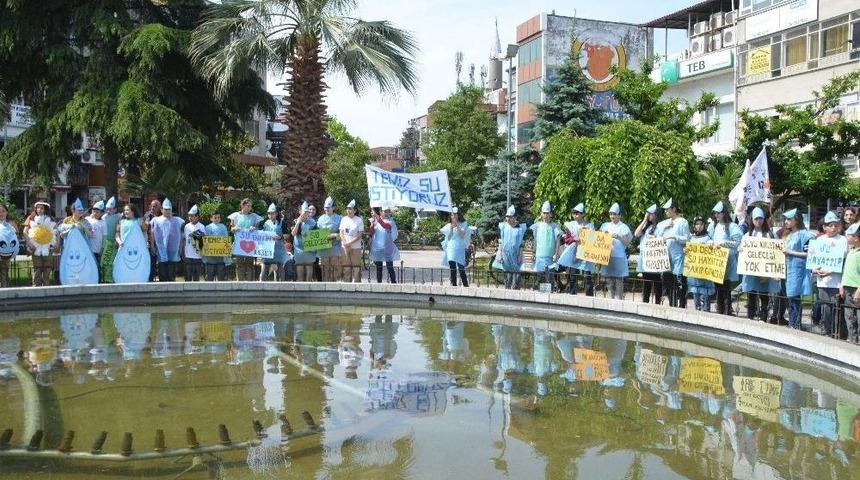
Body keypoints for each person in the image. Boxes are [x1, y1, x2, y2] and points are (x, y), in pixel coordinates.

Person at [739, 208, 780, 321]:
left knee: (764, 296)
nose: (758, 221)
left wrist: (769, 273)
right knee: (751, 296)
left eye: (760, 218)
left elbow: (776, 254)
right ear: (752, 220)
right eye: (756, 218)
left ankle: (763, 318)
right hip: (751, 272)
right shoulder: (747, 235)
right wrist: (741, 250)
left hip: (765, 273)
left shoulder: (771, 235)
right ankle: (750, 317)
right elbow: (744, 253)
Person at [811, 211, 846, 337]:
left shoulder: (843, 240)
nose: (833, 228)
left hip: (837, 281)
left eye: (835, 225)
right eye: (830, 225)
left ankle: (838, 333)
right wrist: (814, 270)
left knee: (837, 308)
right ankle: (826, 331)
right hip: (822, 281)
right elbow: (813, 259)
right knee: (826, 308)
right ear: (824, 227)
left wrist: (831, 271)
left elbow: (844, 261)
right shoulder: (819, 240)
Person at [782, 208, 815, 330]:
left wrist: (791, 252)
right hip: (788, 270)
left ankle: (795, 324)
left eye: (789, 219)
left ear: (796, 219)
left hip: (798, 271)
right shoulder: (788, 235)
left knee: (794, 298)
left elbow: (809, 254)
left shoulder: (806, 235)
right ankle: (793, 323)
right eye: (785, 219)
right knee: (789, 298)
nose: (786, 221)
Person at [708, 200, 742, 315]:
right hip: (717, 262)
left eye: (718, 213)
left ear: (724, 213)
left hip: (728, 261)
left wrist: (723, 243)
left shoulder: (732, 226)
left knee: (725, 288)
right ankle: (719, 309)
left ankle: (727, 310)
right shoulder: (716, 226)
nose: (716, 215)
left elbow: (737, 242)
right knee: (718, 287)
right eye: (715, 213)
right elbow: (712, 240)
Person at [655, 198, 690, 308]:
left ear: (674, 209)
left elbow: (687, 239)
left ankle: (682, 306)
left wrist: (674, 237)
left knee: (679, 283)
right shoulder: (663, 223)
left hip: (678, 257)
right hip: (666, 258)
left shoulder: (683, 222)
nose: (665, 212)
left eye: (667, 209)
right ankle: (672, 305)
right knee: (668, 284)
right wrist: (664, 229)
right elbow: (657, 238)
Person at [559, 202, 594, 296]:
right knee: (573, 275)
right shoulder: (570, 225)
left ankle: (589, 296)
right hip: (573, 252)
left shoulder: (589, 226)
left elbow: (593, 240)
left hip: (585, 252)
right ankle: (572, 294)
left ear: (582, 214)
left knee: (587, 275)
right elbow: (566, 239)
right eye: (573, 213)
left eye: (577, 213)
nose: (575, 215)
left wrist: (586, 235)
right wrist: (574, 239)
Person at [599, 203, 632, 300]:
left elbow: (627, 241)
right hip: (608, 256)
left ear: (619, 215)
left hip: (619, 257)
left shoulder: (624, 227)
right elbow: (599, 239)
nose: (612, 216)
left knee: (619, 280)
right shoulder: (605, 225)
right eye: (610, 214)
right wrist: (603, 235)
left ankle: (619, 300)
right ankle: (610, 299)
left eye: (614, 214)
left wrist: (619, 237)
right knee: (609, 280)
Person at [149, 198, 184, 282]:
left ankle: (172, 291)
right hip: (161, 249)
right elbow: (152, 234)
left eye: (169, 209)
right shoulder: (156, 220)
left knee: (171, 272)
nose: (167, 211)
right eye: (166, 209)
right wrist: (152, 247)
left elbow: (181, 236)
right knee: (162, 271)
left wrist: (180, 248)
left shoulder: (178, 221)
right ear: (162, 210)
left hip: (173, 250)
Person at [228, 198, 262, 281]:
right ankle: (239, 282)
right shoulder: (235, 216)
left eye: (250, 206)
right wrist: (234, 228)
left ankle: (249, 283)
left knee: (250, 264)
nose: (250, 208)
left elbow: (257, 228)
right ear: (242, 205)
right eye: (248, 206)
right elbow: (231, 229)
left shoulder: (254, 216)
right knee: (239, 264)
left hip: (250, 244)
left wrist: (254, 228)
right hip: (239, 243)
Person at [634, 204, 662, 304]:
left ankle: (658, 304)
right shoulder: (646, 227)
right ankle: (645, 303)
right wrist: (644, 220)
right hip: (645, 260)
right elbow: (636, 234)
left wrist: (654, 239)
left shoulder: (659, 227)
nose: (648, 215)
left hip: (655, 259)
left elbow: (662, 240)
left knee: (657, 284)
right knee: (646, 284)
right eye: (647, 214)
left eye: (650, 214)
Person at [530, 201, 562, 287]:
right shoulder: (537, 226)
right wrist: (533, 253)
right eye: (544, 213)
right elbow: (535, 240)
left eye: (547, 213)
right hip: (539, 255)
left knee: (550, 278)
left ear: (550, 214)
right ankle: (540, 296)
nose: (545, 215)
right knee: (540, 277)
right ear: (541, 214)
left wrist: (556, 253)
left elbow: (558, 240)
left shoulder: (555, 226)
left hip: (551, 257)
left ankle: (550, 296)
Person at [24, 201, 56, 287]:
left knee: (47, 267)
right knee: (36, 267)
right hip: (35, 247)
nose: (39, 210)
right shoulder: (31, 218)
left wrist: (55, 244)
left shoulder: (51, 219)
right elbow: (25, 232)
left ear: (45, 209)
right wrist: (29, 243)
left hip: (47, 247)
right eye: (38, 208)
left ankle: (46, 285)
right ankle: (36, 286)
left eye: (42, 208)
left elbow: (55, 232)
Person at [494, 205, 526, 290]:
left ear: (515, 217)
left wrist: (520, 255)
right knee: (507, 279)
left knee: (516, 277)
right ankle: (507, 293)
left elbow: (522, 243)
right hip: (506, 256)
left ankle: (516, 294)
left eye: (510, 217)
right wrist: (500, 253)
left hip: (516, 255)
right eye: (507, 216)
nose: (507, 218)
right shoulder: (503, 227)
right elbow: (500, 241)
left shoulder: (520, 228)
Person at [687, 216, 715, 312]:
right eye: (697, 224)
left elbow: (711, 246)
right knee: (696, 295)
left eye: (701, 224)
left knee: (705, 296)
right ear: (694, 226)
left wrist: (710, 245)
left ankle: (706, 313)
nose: (699, 226)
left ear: (704, 225)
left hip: (704, 274)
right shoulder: (691, 238)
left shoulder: (708, 238)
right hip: (694, 273)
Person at [441, 207, 471, 287]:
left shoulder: (463, 224)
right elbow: (449, 237)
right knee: (452, 267)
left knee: (461, 267)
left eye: (454, 214)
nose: (453, 216)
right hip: (451, 247)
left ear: (458, 214)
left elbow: (462, 235)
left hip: (459, 247)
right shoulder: (449, 225)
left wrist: (457, 226)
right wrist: (451, 228)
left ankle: (465, 286)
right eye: (452, 214)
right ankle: (453, 285)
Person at [368, 202, 398, 283]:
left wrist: (376, 216)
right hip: (377, 247)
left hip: (388, 247)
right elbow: (371, 234)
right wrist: (371, 225)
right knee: (379, 267)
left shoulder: (390, 222)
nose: (387, 213)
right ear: (380, 211)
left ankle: (394, 284)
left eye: (388, 211)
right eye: (385, 211)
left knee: (389, 267)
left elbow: (384, 225)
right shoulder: (375, 221)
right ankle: (379, 284)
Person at [315, 197, 343, 281]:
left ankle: (335, 289)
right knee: (324, 270)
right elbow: (317, 234)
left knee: (335, 269)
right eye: (325, 207)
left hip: (335, 248)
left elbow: (342, 234)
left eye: (328, 207)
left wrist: (335, 235)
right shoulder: (320, 219)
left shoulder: (339, 218)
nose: (326, 209)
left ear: (333, 208)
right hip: (323, 248)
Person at [841, 223, 860, 343]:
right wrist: (842, 285)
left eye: (848, 236)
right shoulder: (851, 252)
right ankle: (852, 338)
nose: (846, 238)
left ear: (856, 238)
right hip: (847, 287)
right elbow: (846, 270)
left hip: (856, 288)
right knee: (849, 314)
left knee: (858, 315)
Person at [290, 201, 317, 282]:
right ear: (300, 212)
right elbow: (293, 233)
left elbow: (317, 235)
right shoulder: (295, 221)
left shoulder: (313, 222)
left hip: (310, 249)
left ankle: (309, 289)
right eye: (304, 212)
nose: (306, 213)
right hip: (299, 250)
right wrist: (298, 223)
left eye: (307, 212)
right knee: (300, 270)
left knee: (309, 268)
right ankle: (300, 291)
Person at [260, 203, 287, 281]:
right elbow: (261, 234)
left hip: (278, 248)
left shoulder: (282, 223)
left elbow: (287, 235)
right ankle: (261, 288)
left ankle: (282, 287)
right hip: (268, 249)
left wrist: (280, 237)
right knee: (265, 269)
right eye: (269, 213)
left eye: (272, 213)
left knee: (280, 268)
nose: (270, 215)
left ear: (276, 213)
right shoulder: (265, 223)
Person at [338, 199, 364, 283]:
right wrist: (345, 243)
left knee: (356, 267)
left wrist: (349, 243)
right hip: (344, 247)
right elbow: (341, 233)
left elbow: (359, 235)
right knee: (346, 267)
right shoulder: (343, 219)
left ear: (355, 210)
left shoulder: (359, 220)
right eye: (347, 208)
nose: (348, 210)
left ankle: (357, 286)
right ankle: (347, 285)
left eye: (350, 209)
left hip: (355, 247)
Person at [203, 212, 230, 281]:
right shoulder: (208, 227)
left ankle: (221, 291)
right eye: (215, 217)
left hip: (220, 257)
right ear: (211, 218)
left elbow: (226, 240)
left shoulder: (223, 226)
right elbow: (206, 240)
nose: (217, 219)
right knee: (209, 277)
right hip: (210, 258)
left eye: (218, 217)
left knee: (221, 277)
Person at [100, 197, 122, 283]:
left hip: (115, 242)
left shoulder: (119, 217)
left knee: (112, 261)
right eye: (107, 209)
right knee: (105, 261)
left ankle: (112, 278)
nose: (108, 211)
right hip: (106, 243)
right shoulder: (104, 217)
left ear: (115, 209)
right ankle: (105, 278)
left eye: (110, 209)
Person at [182, 205, 205, 282]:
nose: (190, 218)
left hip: (198, 256)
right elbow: (185, 240)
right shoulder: (186, 226)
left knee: (196, 278)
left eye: (192, 216)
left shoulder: (201, 227)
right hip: (188, 255)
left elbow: (203, 241)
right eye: (189, 216)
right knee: (187, 277)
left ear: (197, 216)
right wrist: (183, 252)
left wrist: (202, 252)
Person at [85, 200, 107, 281]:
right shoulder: (87, 219)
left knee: (96, 265)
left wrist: (102, 248)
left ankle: (98, 281)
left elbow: (105, 237)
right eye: (94, 211)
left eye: (98, 212)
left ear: (102, 213)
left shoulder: (103, 223)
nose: (95, 213)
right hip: (88, 247)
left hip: (97, 248)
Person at [0, 203, 19, 288]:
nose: (1, 213)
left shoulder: (11, 224)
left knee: (4, 271)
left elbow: (16, 235)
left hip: (5, 253)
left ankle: (5, 290)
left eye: (3, 211)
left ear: (7, 212)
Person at [144, 199, 162, 282]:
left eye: (154, 206)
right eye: (151, 206)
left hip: (161, 243)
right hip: (150, 242)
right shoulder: (147, 216)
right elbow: (144, 229)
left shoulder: (162, 216)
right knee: (151, 262)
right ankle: (150, 280)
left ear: (159, 207)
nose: (152, 208)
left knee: (162, 263)